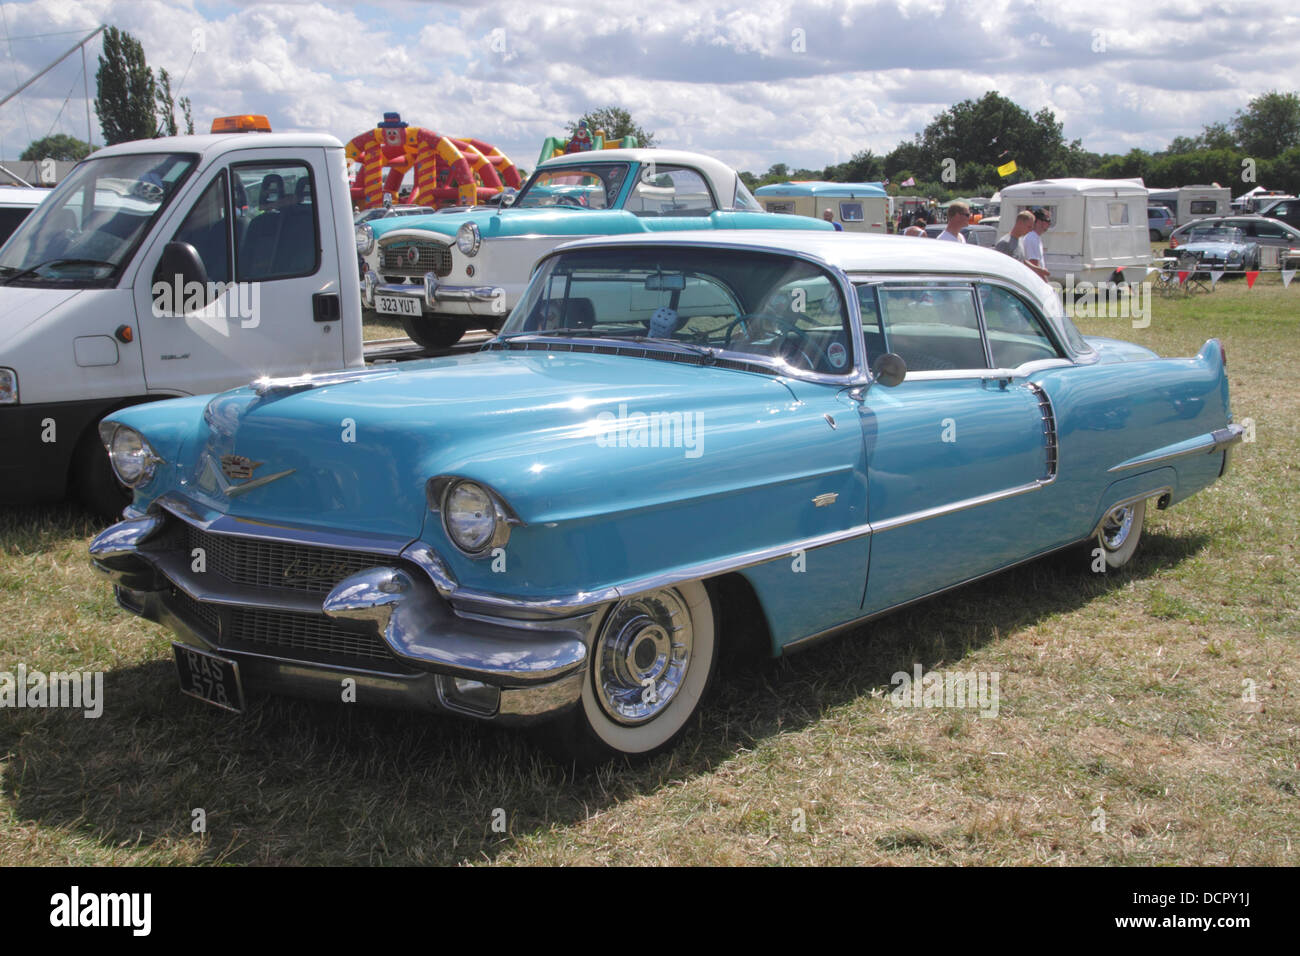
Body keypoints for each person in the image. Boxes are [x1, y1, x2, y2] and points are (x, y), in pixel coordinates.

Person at [995, 210, 1051, 280]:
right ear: (1020, 223)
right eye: (1029, 227)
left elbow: (1022, 260)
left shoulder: (1020, 240)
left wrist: (1038, 270)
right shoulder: (1004, 243)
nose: (1030, 230)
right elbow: (998, 268)